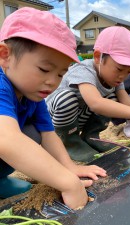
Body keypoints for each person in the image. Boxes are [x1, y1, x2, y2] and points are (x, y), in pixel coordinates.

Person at [0, 7, 107, 209]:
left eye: (60, 74)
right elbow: (6, 140)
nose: (52, 82)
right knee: (15, 137)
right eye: (44, 69)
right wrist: (67, 183)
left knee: (33, 133)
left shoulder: (33, 94)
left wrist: (69, 168)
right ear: (5, 55)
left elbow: (49, 134)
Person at [46, 26, 130, 158]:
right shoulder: (83, 70)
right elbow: (95, 103)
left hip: (77, 119)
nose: (123, 76)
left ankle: (91, 136)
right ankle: (68, 143)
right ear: (98, 57)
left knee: (112, 97)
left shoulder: (114, 79)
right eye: (119, 69)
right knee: (67, 98)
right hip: (54, 121)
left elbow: (126, 100)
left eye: (128, 71)